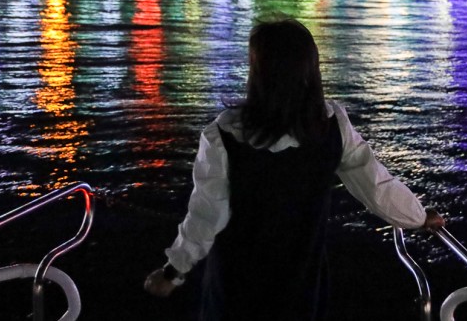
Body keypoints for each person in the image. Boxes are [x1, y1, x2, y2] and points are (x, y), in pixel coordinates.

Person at [144, 18, 444, 320]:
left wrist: (173, 272)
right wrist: (417, 217)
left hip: (235, 288)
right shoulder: (332, 127)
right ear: (310, 69)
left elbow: (207, 215)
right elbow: (377, 186)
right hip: (301, 285)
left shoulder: (224, 135)